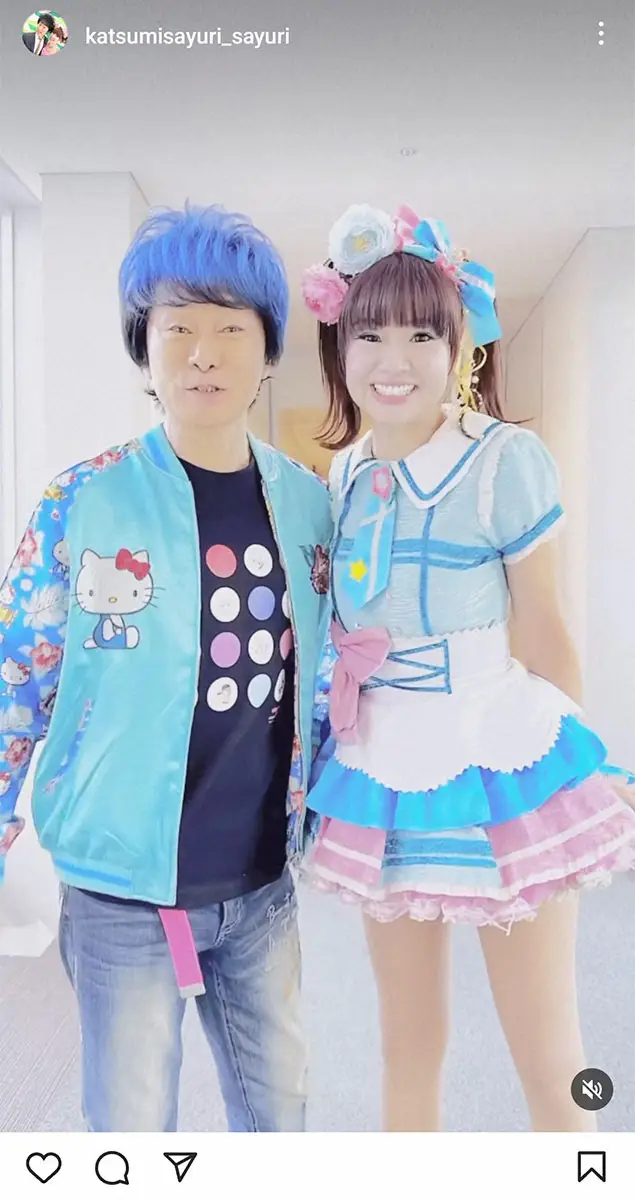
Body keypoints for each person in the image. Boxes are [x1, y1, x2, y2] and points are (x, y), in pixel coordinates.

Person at [300, 203, 635, 1133]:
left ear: (459, 346)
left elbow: (544, 628)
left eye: (421, 333)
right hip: (382, 765)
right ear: (340, 347)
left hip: (501, 759)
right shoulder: (343, 475)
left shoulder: (503, 461)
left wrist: (586, 763)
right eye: (369, 333)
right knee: (406, 1045)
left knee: (547, 1051)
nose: (393, 358)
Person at [0, 204, 332, 1132]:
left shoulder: (309, 504)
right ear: (143, 352)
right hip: (120, 885)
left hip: (260, 878)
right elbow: (16, 676)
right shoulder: (84, 498)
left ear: (267, 351)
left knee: (280, 1114)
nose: (203, 354)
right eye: (177, 329)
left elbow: (324, 677)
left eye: (230, 329)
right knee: (133, 1123)